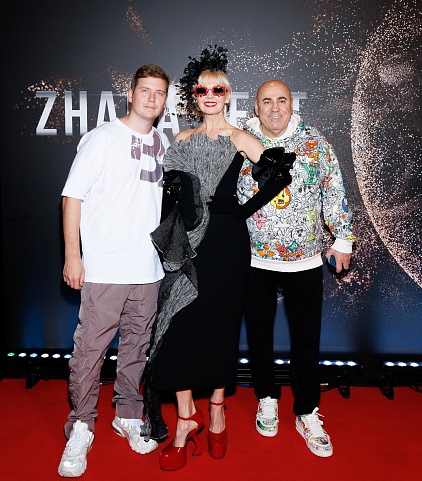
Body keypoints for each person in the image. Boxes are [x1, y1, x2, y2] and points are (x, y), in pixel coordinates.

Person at [141, 47, 295, 472]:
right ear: (194, 96)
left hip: (227, 244)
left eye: (218, 89)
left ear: (228, 95)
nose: (210, 96)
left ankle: (217, 410)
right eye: (202, 90)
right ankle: (185, 419)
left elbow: (278, 173)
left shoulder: (240, 138)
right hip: (188, 242)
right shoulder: (182, 140)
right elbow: (171, 196)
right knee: (176, 324)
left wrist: (239, 211)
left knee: (222, 328)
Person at [58, 63, 171, 478]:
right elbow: (72, 197)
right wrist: (73, 256)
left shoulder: (162, 142)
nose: (152, 98)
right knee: (89, 353)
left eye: (159, 93)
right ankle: (81, 427)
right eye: (145, 90)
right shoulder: (103, 137)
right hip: (105, 268)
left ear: (164, 101)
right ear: (131, 93)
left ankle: (127, 415)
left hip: (148, 270)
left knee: (136, 350)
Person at [235, 79, 356, 458]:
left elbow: (334, 189)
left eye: (281, 100)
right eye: (266, 101)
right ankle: (266, 398)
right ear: (256, 107)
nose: (274, 108)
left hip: (304, 261)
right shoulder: (238, 141)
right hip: (253, 260)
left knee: (306, 340)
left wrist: (343, 238)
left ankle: (306, 411)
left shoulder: (315, 143)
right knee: (259, 337)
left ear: (292, 104)